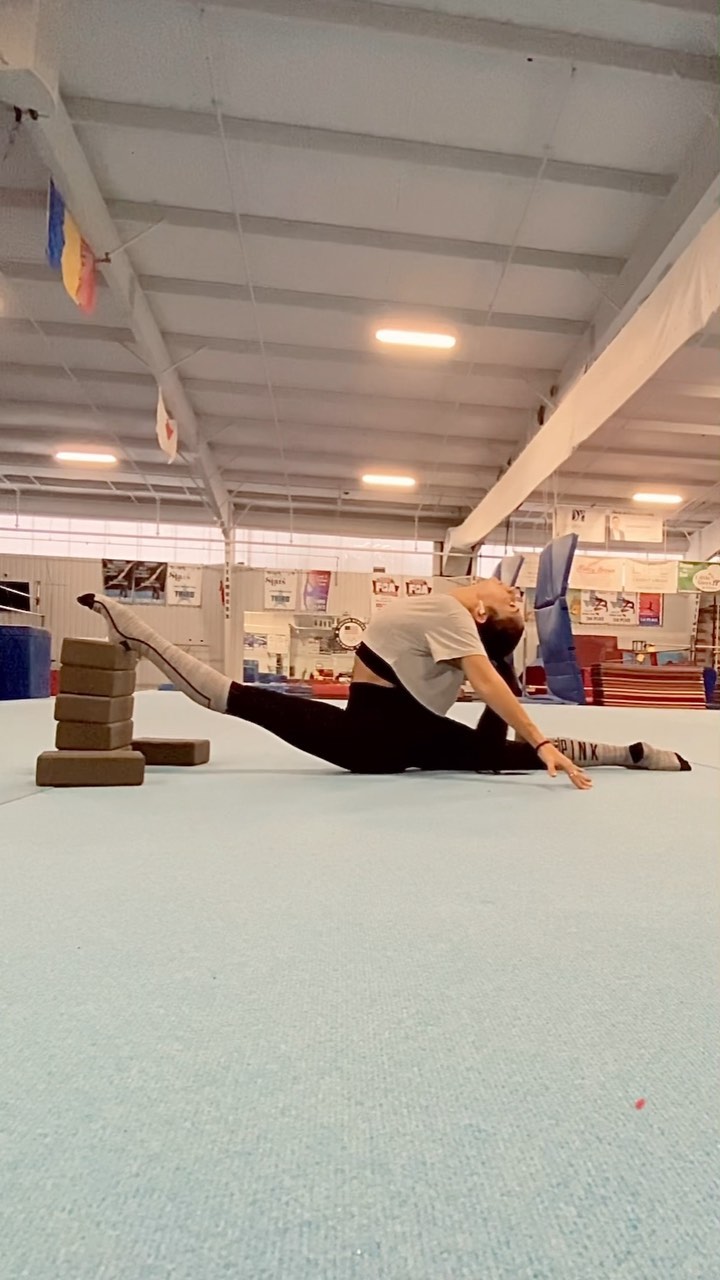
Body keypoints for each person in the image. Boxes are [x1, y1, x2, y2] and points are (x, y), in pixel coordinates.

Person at [77, 582, 690, 789]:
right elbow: (484, 681)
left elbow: (485, 681)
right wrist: (535, 738)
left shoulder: (452, 615)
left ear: (480, 615)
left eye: (513, 603)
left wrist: (539, 738)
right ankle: (630, 753)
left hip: (382, 737)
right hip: (387, 735)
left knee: (235, 697)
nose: (515, 593)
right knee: (501, 754)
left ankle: (626, 753)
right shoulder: (445, 616)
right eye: (517, 599)